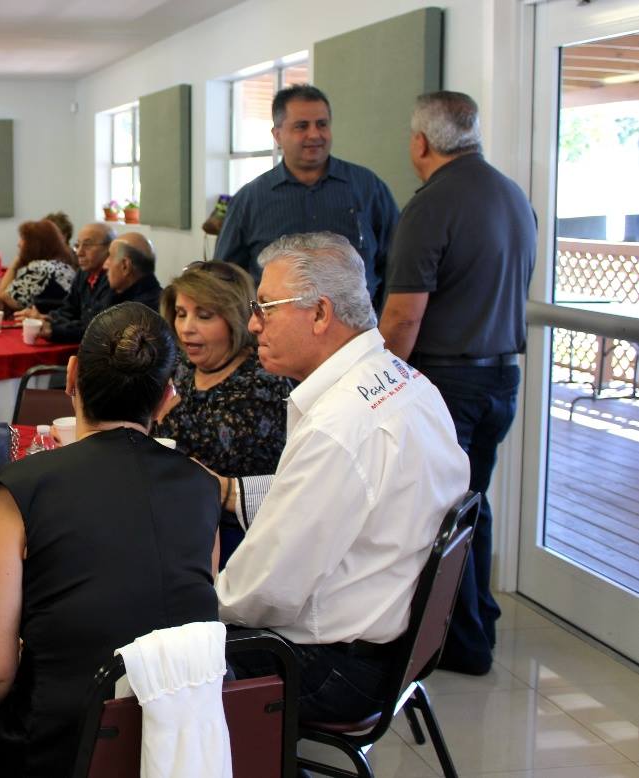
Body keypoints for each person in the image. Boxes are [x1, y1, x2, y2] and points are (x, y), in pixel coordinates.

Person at [0, 302, 221, 777]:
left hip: (61, 751)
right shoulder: (203, 487)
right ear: (167, 396)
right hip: (179, 738)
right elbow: (175, 619)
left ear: (71, 376)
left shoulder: (22, 487)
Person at [211, 232, 468, 724]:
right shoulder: (408, 381)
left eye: (265, 307)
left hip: (335, 669)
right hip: (395, 648)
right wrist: (232, 493)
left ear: (321, 313)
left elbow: (263, 592)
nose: (252, 323)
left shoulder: (339, 425)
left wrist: (189, 602)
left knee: (151, 652)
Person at [379, 91, 537, 676]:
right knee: (473, 505)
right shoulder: (512, 195)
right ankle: (478, 620)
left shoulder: (431, 204)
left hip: (449, 380)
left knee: (444, 512)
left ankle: (462, 642)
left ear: (420, 142)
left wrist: (379, 384)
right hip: (503, 378)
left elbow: (403, 316)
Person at [213, 84, 399, 308]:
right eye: (301, 126)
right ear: (277, 134)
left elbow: (396, 264)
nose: (314, 134)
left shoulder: (367, 187)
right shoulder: (249, 200)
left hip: (358, 332)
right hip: (276, 334)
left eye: (322, 124)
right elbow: (225, 279)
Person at [155, 260, 291, 562]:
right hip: (173, 525)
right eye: (180, 314)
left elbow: (202, 464)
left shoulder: (263, 382)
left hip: (238, 539)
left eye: (204, 316)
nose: (186, 328)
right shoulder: (181, 368)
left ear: (235, 319)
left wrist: (161, 417)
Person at [14, 222, 114, 344]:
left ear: (110, 248)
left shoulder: (113, 279)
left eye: (87, 245)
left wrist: (53, 330)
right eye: (77, 245)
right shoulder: (84, 273)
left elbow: (94, 327)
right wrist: (45, 318)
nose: (79, 252)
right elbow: (68, 309)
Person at [0, 219, 76, 311]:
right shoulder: (64, 265)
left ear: (35, 244)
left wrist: (17, 260)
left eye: (23, 239)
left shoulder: (40, 268)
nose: (19, 244)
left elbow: (4, 296)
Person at [102, 232, 163, 311]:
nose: (104, 266)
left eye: (110, 256)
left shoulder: (139, 313)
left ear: (125, 266)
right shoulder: (116, 294)